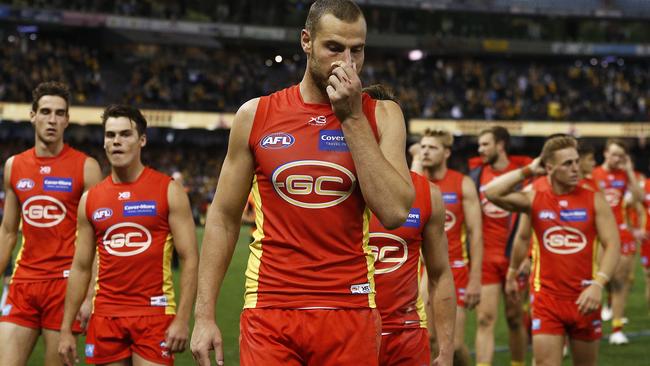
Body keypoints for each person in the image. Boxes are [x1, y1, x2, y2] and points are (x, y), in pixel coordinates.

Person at [190, 1, 415, 365]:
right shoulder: (255, 115)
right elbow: (223, 218)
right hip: (271, 308)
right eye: (334, 47)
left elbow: (394, 211)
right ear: (306, 41)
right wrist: (203, 316)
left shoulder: (382, 115)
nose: (347, 62)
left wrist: (352, 118)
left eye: (356, 50)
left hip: (350, 306)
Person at [58, 104, 199, 365]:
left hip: (154, 316)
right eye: (110, 135)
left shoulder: (168, 190)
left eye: (125, 134)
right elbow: (80, 266)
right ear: (103, 142)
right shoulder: (91, 199)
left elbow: (190, 258)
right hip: (105, 317)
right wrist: (67, 328)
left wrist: (182, 319)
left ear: (142, 140)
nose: (117, 142)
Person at [484, 135, 620, 366]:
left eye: (576, 161)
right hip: (547, 300)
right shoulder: (534, 196)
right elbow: (492, 193)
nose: (576, 168)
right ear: (549, 167)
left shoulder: (594, 198)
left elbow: (613, 245)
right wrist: (528, 170)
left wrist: (599, 284)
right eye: (567, 163)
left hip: (585, 298)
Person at [0, 81, 102, 366]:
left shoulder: (86, 167)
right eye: (45, 112)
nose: (52, 120)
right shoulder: (14, 166)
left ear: (67, 120)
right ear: (32, 115)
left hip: (65, 286)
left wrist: (89, 294)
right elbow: (8, 231)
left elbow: (96, 239)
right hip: (23, 284)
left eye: (59, 114)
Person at [412, 128, 483, 366]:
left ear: (447, 153)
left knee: (455, 344)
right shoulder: (415, 183)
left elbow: (475, 233)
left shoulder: (462, 184)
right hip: (420, 271)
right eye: (422, 147)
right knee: (430, 340)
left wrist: (475, 278)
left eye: (432, 147)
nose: (425, 152)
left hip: (455, 270)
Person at [470, 126, 529, 366]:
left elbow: (532, 218)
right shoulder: (475, 176)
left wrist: (528, 257)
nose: (480, 149)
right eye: (480, 145)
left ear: (501, 145)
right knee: (484, 319)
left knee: (515, 318)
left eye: (485, 144)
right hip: (486, 259)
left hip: (515, 257)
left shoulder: (521, 176)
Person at [591, 138, 642, 344]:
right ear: (605, 153)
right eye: (613, 154)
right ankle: (593, 323)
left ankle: (617, 328)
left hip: (621, 232)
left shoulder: (625, 175)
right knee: (598, 280)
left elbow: (639, 198)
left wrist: (629, 171)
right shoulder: (594, 174)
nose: (616, 159)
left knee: (620, 281)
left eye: (621, 156)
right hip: (598, 234)